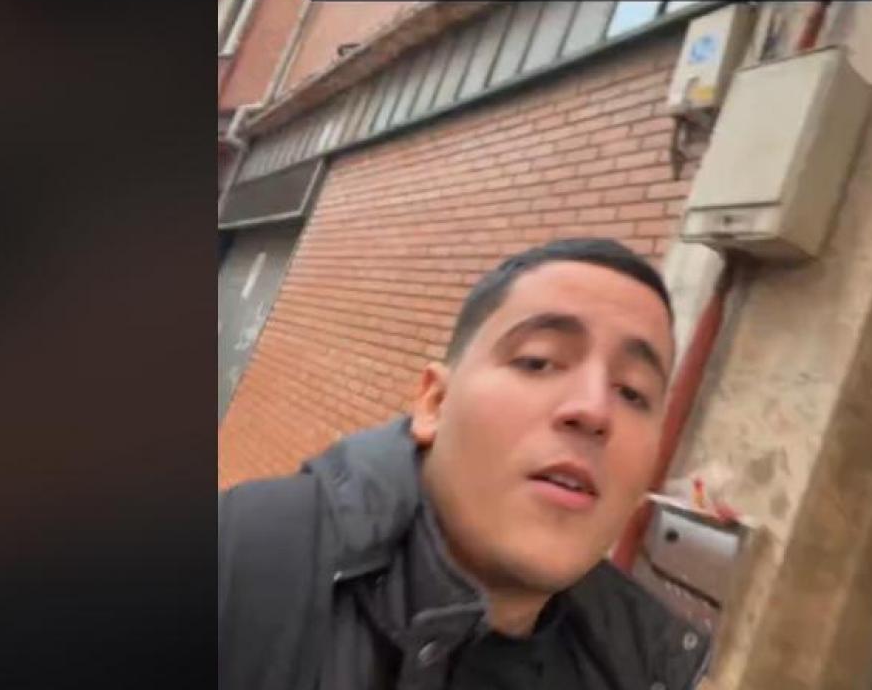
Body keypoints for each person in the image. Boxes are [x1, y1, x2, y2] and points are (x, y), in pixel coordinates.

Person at [218, 238, 713, 690]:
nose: (594, 410)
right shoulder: (236, 561)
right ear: (434, 403)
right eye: (538, 361)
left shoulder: (649, 668)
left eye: (633, 392)